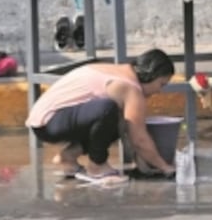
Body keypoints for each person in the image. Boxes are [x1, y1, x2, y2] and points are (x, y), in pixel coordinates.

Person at [25, 48, 177, 183]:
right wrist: (165, 167)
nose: (159, 91)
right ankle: (97, 166)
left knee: (117, 119)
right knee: (107, 109)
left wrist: (143, 165)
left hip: (47, 121)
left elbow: (128, 131)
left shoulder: (121, 71)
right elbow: (139, 139)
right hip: (50, 122)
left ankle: (68, 158)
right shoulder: (130, 87)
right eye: (161, 84)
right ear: (151, 74)